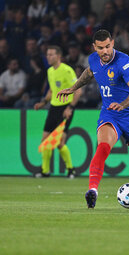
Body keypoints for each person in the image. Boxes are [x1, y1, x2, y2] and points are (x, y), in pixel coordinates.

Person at [56, 30, 129, 209]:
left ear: (113, 43)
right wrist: (73, 88)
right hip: (110, 114)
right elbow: (89, 73)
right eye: (101, 48)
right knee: (103, 147)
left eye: (108, 46)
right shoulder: (94, 59)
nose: (105, 51)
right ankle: (93, 190)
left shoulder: (123, 61)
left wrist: (123, 104)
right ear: (94, 47)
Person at [34, 45, 81, 178]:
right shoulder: (50, 71)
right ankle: (45, 171)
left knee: (59, 143)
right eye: (47, 55)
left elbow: (78, 90)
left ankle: (71, 169)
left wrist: (70, 108)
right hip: (53, 108)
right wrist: (43, 102)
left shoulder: (67, 70)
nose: (48, 57)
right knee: (45, 141)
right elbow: (51, 90)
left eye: (51, 54)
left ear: (59, 56)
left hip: (65, 108)